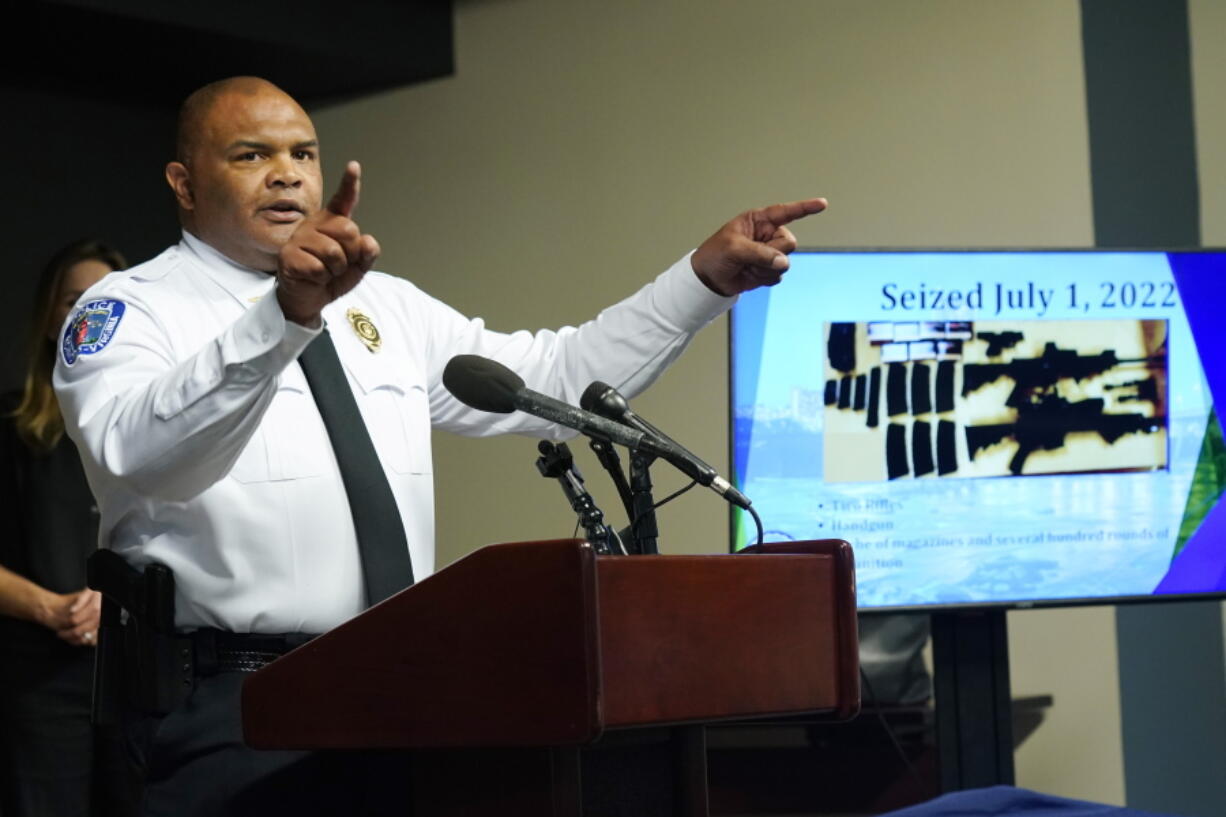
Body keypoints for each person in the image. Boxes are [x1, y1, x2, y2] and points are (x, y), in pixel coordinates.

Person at [52, 76, 827, 816]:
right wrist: (282, 318)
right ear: (184, 185)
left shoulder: (384, 306)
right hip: (231, 708)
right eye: (251, 155)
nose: (287, 175)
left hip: (401, 692)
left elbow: (555, 380)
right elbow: (143, 458)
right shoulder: (130, 309)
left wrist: (702, 281)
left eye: (304, 153)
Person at [0, 239, 137, 817]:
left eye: (107, 299)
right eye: (74, 300)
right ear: (50, 318)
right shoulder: (11, 427)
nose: (89, 312)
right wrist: (52, 609)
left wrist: (121, 601)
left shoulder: (162, 427)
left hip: (139, 675)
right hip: (40, 679)